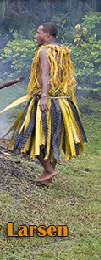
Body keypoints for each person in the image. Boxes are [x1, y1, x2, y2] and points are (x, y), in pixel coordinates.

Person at [7, 23, 87, 185]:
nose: (36, 35)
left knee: (28, 135)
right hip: (62, 101)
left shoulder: (44, 51)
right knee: (52, 139)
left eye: (38, 32)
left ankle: (50, 170)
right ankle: (47, 177)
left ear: (47, 35)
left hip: (47, 101)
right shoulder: (63, 50)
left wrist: (43, 96)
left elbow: (45, 74)